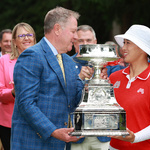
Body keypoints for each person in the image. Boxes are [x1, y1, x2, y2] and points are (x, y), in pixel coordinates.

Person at [11, 7, 93, 150]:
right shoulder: (32, 56)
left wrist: (91, 86)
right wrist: (54, 131)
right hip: (33, 143)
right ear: (57, 29)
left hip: (60, 144)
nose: (75, 37)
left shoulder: (68, 62)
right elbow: (26, 103)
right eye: (73, 31)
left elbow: (73, 101)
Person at [108, 25, 150, 150]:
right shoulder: (114, 77)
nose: (123, 48)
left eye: (128, 43)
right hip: (114, 147)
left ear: (142, 48)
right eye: (124, 43)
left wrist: (134, 137)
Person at [71, 24, 111, 150]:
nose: (85, 44)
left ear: (95, 42)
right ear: (74, 42)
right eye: (80, 41)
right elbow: (65, 98)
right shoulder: (65, 63)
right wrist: (80, 79)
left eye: (88, 40)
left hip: (103, 131)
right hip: (77, 133)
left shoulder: (108, 64)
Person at [0, 22, 36, 150]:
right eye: (22, 35)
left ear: (34, 39)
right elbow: (0, 93)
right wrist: (14, 92)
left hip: (36, 123)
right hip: (9, 123)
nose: (26, 38)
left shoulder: (43, 60)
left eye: (29, 34)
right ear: (14, 41)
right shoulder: (3, 61)